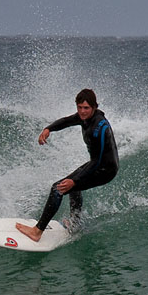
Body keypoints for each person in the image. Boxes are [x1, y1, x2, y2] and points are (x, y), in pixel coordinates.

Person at [16, 89, 119, 242]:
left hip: (105, 169)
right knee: (71, 186)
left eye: (86, 108)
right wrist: (48, 129)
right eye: (79, 107)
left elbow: (97, 161)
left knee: (58, 188)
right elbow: (66, 121)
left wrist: (75, 181)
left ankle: (37, 232)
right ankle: (75, 224)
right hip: (98, 164)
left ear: (94, 107)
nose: (82, 112)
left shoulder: (98, 129)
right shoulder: (85, 117)